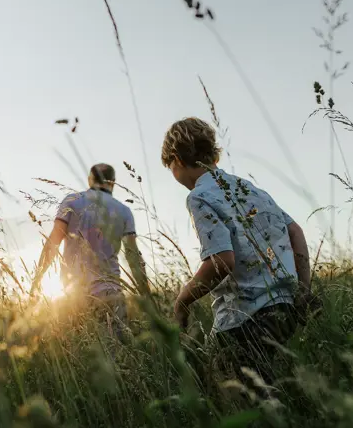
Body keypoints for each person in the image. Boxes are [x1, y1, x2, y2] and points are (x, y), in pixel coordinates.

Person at [160, 117, 315, 384]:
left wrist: (182, 300)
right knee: (269, 388)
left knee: (227, 391)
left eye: (170, 167)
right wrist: (303, 289)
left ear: (177, 159)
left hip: (245, 319)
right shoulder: (249, 188)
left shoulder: (199, 196)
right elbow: (295, 232)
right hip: (285, 308)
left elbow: (222, 260)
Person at [30, 163, 148, 340]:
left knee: (79, 356)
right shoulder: (124, 211)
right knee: (115, 356)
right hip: (111, 293)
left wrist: (37, 280)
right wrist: (145, 294)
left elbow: (53, 242)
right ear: (113, 182)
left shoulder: (72, 201)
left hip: (74, 295)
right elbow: (132, 255)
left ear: (90, 180)